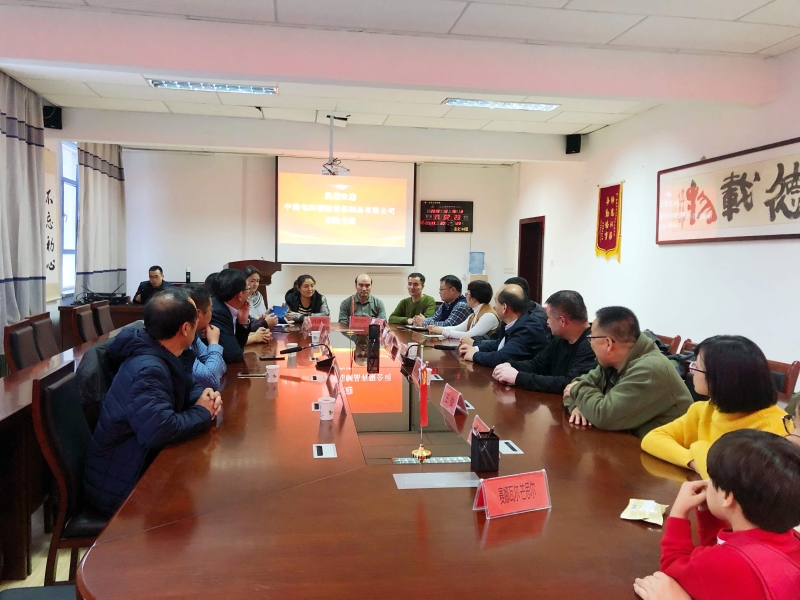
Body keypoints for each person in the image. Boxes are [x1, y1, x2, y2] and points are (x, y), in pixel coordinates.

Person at [84, 288, 222, 516]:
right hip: (123, 487)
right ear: (185, 328)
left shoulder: (162, 350)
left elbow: (186, 384)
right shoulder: (147, 369)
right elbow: (159, 430)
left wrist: (202, 396)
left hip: (139, 466)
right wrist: (203, 411)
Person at [655, 430, 800, 600]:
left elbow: (673, 570)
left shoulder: (727, 564)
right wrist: (708, 513)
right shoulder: (792, 539)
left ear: (726, 496)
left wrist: (678, 513)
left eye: (712, 480)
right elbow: (719, 555)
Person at [641, 335, 788, 478]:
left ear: (721, 379)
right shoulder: (705, 409)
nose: (691, 371)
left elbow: (736, 480)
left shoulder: (776, 428)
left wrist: (700, 448)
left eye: (697, 367)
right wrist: (693, 461)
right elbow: (652, 439)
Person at [563, 306, 692, 438]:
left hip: (662, 449)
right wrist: (576, 407)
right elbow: (575, 385)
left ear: (608, 344)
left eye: (592, 338)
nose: (590, 343)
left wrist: (577, 391)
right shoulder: (615, 360)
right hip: (627, 441)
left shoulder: (649, 369)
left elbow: (604, 415)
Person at [492, 290, 596, 394]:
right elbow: (537, 365)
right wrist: (510, 365)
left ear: (562, 321)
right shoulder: (560, 339)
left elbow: (570, 384)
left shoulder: (592, 344)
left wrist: (518, 377)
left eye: (549, 318)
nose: (547, 322)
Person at [459, 284, 548, 368]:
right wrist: (476, 348)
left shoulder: (527, 328)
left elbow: (503, 358)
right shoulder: (513, 321)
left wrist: (474, 355)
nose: (494, 307)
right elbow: (500, 344)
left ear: (504, 308)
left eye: (496, 302)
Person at [464, 276, 550, 346]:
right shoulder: (512, 314)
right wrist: (474, 341)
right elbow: (498, 339)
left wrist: (475, 352)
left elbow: (507, 351)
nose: (495, 306)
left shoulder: (534, 319)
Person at [210, 268, 268, 363]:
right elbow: (233, 355)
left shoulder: (226, 307)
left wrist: (243, 322)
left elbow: (238, 348)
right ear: (240, 295)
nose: (249, 292)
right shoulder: (218, 313)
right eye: (248, 288)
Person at [183, 283, 226, 390]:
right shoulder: (179, 339)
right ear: (198, 315)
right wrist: (214, 342)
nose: (212, 314)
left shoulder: (193, 335)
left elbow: (221, 365)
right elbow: (211, 380)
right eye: (211, 310)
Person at [428, 280, 499, 340]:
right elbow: (458, 328)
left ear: (474, 298)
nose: (466, 296)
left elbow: (469, 335)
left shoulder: (489, 316)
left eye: (467, 294)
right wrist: (437, 328)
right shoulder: (474, 314)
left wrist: (442, 331)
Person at [242, 266, 278, 331]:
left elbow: (261, 315)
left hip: (260, 328)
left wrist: (266, 313)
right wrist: (259, 319)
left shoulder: (258, 295)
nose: (255, 284)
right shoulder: (240, 297)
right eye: (252, 281)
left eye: (258, 281)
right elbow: (245, 320)